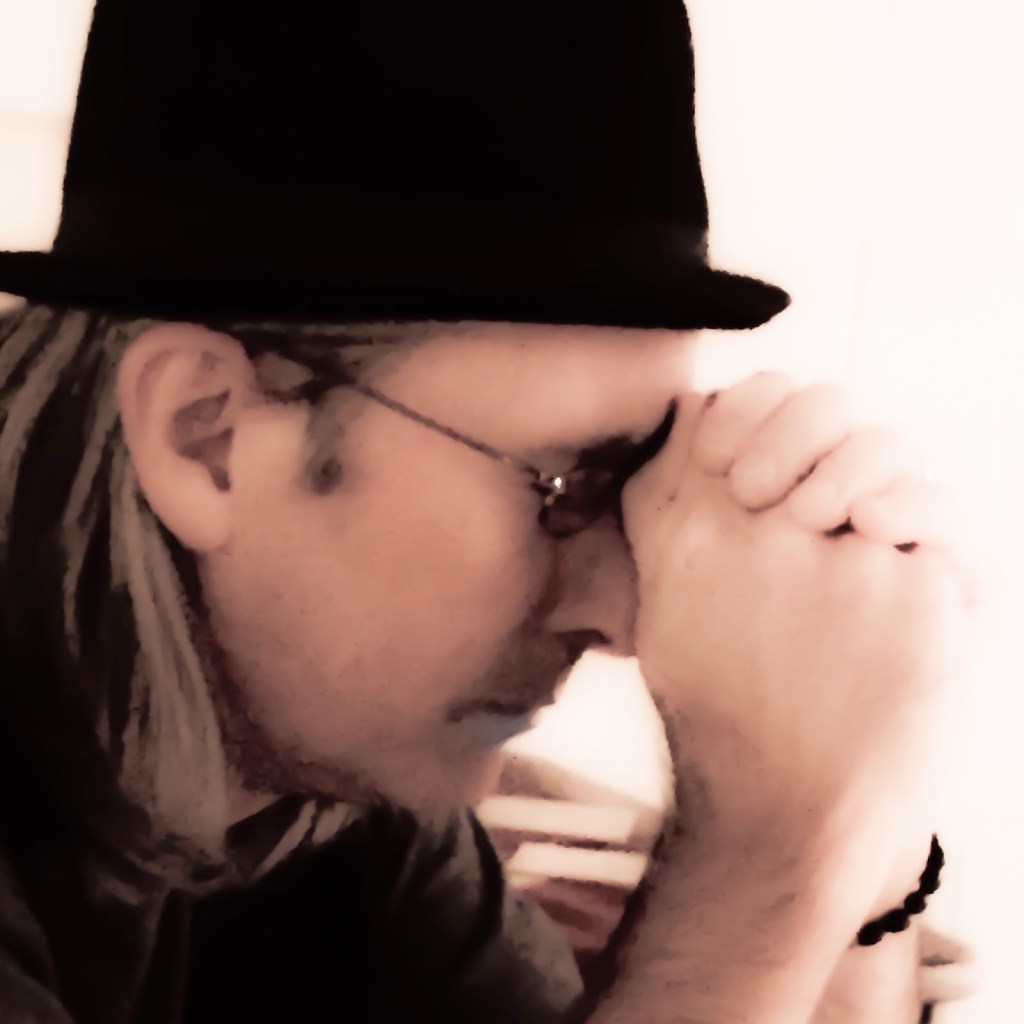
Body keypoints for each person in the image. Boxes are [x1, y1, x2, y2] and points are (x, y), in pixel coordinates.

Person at [0, 1, 982, 1022]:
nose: (622, 616)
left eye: (638, 487)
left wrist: (857, 808)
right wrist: (755, 858)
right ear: (206, 435)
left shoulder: (336, 776)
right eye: (570, 485)